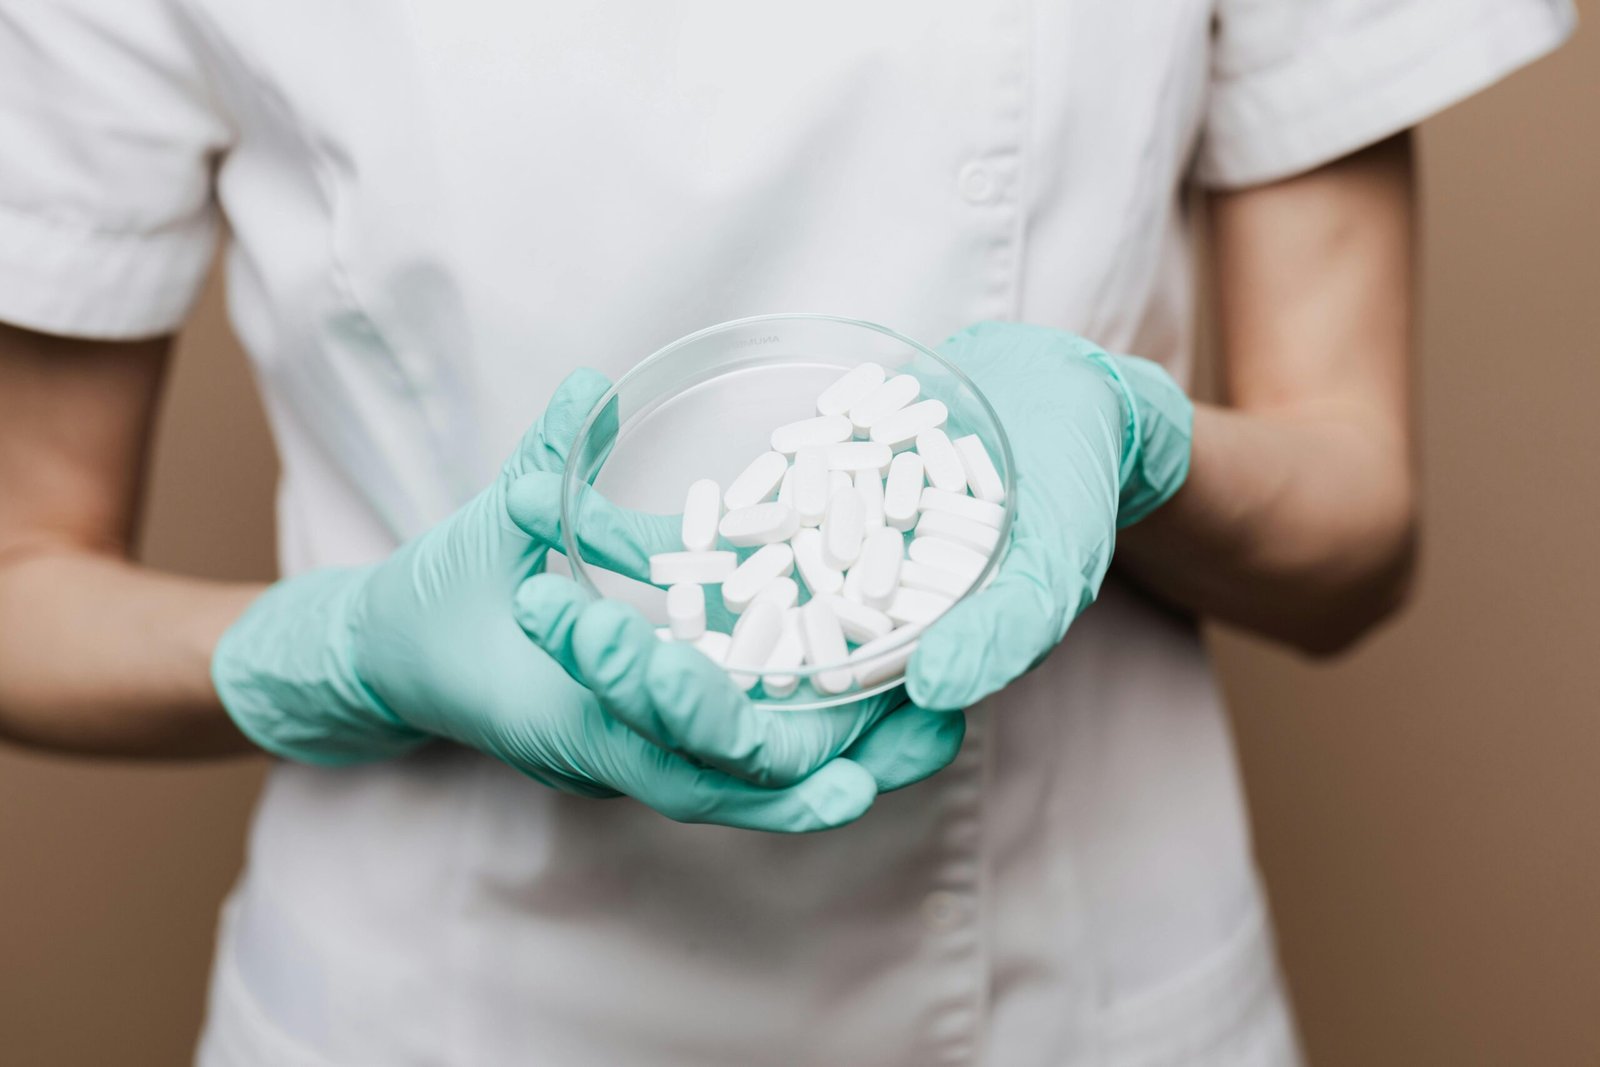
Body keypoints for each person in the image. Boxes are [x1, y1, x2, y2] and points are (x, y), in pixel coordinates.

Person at [0, 2, 1574, 1063]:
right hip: (437, 1008)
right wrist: (347, 649)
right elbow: (22, 580)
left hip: (1073, 996)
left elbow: (1355, 536)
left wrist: (1134, 446)